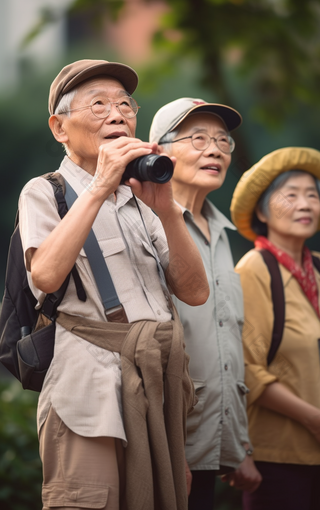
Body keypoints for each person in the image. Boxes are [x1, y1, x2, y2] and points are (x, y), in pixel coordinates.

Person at [18, 60, 210, 510]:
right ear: (59, 128)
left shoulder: (147, 196)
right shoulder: (47, 191)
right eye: (99, 104)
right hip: (90, 398)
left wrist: (166, 210)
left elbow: (195, 292)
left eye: (126, 105)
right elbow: (44, 276)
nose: (118, 114)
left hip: (156, 396)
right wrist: (100, 187)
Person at [149, 98, 262, 510]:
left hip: (214, 439)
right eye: (197, 138)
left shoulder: (222, 232)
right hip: (169, 443)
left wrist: (239, 444)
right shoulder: (146, 226)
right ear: (159, 150)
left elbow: (226, 339)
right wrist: (166, 451)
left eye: (222, 140)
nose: (214, 149)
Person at [230, 147, 320, 510]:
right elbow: (247, 369)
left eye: (312, 195)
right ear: (262, 210)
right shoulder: (253, 270)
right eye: (291, 195)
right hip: (280, 458)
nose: (305, 204)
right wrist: (318, 421)